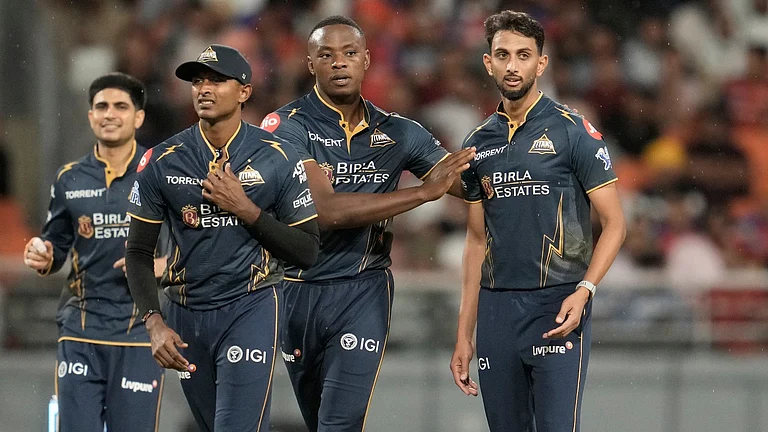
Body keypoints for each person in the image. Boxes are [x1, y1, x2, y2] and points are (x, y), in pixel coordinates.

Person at [259, 16, 475, 432]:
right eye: (327, 55)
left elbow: (466, 186)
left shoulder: (400, 132)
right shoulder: (285, 126)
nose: (339, 63)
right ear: (310, 64)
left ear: (367, 61)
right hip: (296, 291)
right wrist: (421, 193)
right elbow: (325, 212)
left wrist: (525, 166)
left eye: (350, 53)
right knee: (320, 421)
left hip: (363, 289)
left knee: (340, 423)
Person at [124, 44, 319, 432]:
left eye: (216, 80)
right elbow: (137, 251)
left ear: (244, 92)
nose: (204, 89)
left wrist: (247, 211)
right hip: (185, 314)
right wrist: (153, 322)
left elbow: (307, 251)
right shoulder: (162, 160)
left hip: (251, 305)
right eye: (198, 81)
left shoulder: (279, 156)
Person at [450, 11, 626, 432]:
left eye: (524, 55)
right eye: (503, 55)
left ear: (541, 64)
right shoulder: (477, 144)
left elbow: (615, 223)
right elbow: (476, 243)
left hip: (557, 303)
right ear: (488, 63)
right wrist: (464, 333)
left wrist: (584, 291)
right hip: (495, 311)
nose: (513, 65)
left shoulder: (573, 131)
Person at [22, 72, 167, 432]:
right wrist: (42, 255)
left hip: (141, 332)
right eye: (101, 106)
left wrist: (165, 264)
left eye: (121, 106)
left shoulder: (161, 173)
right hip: (80, 330)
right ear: (90, 116)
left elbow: (195, 240)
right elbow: (54, 245)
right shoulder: (69, 177)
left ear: (138, 117)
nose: (109, 113)